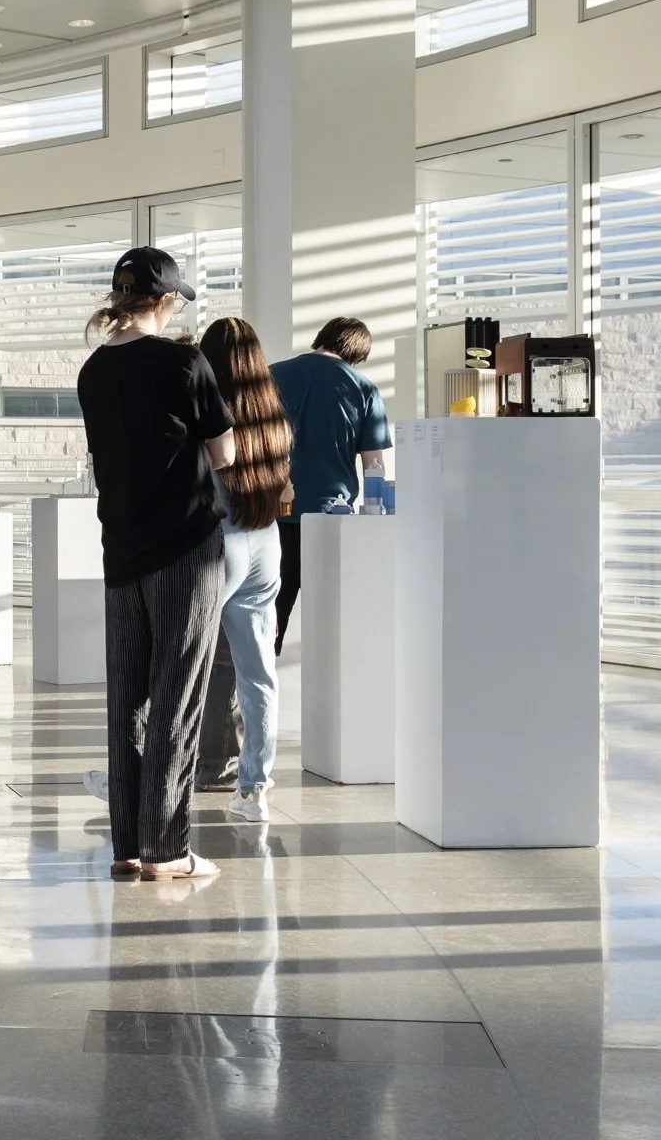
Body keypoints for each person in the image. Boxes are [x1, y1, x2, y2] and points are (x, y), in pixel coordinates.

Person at [75, 247, 234, 882]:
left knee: (128, 701)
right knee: (178, 695)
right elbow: (224, 454)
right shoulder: (184, 362)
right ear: (165, 300)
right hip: (186, 548)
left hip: (121, 548)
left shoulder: (94, 370)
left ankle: (128, 847)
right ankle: (167, 849)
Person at [191, 318, 292, 824]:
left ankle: (150, 776)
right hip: (265, 543)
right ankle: (253, 790)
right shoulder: (274, 419)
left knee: (180, 663)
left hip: (220, 541)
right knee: (259, 675)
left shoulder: (206, 412)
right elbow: (286, 490)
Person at [268, 316, 391, 653]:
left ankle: (258, 679)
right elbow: (374, 465)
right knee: (330, 615)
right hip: (331, 515)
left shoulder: (271, 375)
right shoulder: (364, 388)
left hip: (273, 511)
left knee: (270, 614)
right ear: (357, 353)